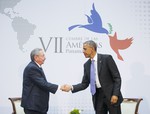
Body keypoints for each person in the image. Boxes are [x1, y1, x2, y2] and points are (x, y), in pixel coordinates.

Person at [61, 40, 123, 114]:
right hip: (98, 96)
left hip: (111, 95)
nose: (83, 51)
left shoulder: (106, 58)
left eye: (85, 49)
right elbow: (84, 84)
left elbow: (117, 78)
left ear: (92, 48)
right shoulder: (86, 65)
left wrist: (115, 94)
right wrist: (71, 87)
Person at [21, 48, 59, 114]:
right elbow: (43, 83)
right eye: (43, 56)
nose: (45, 58)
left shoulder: (36, 67)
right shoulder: (32, 68)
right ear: (36, 57)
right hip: (33, 107)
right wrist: (59, 87)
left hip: (37, 106)